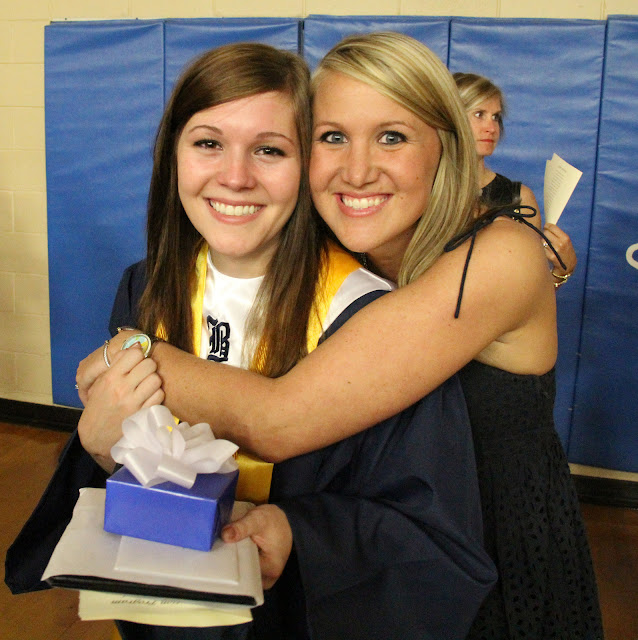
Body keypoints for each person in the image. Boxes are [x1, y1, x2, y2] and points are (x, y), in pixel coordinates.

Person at [75, 32, 602, 638]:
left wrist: (129, 351)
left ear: (446, 146)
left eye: (392, 136)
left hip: (489, 546)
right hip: (386, 551)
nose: (357, 170)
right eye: (332, 137)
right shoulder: (352, 249)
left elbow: (278, 419)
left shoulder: (499, 254)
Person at [6, 41, 496, 640]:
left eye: (269, 150)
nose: (235, 177)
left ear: (306, 164)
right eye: (208, 143)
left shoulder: (369, 321)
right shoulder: (148, 287)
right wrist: (101, 448)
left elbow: (432, 536)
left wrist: (300, 531)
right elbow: (125, 471)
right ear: (172, 155)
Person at [453, 71, 578, 289]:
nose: (491, 128)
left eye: (496, 117)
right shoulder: (422, 188)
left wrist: (560, 272)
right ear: (450, 116)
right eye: (479, 114)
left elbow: (528, 293)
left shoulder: (518, 198)